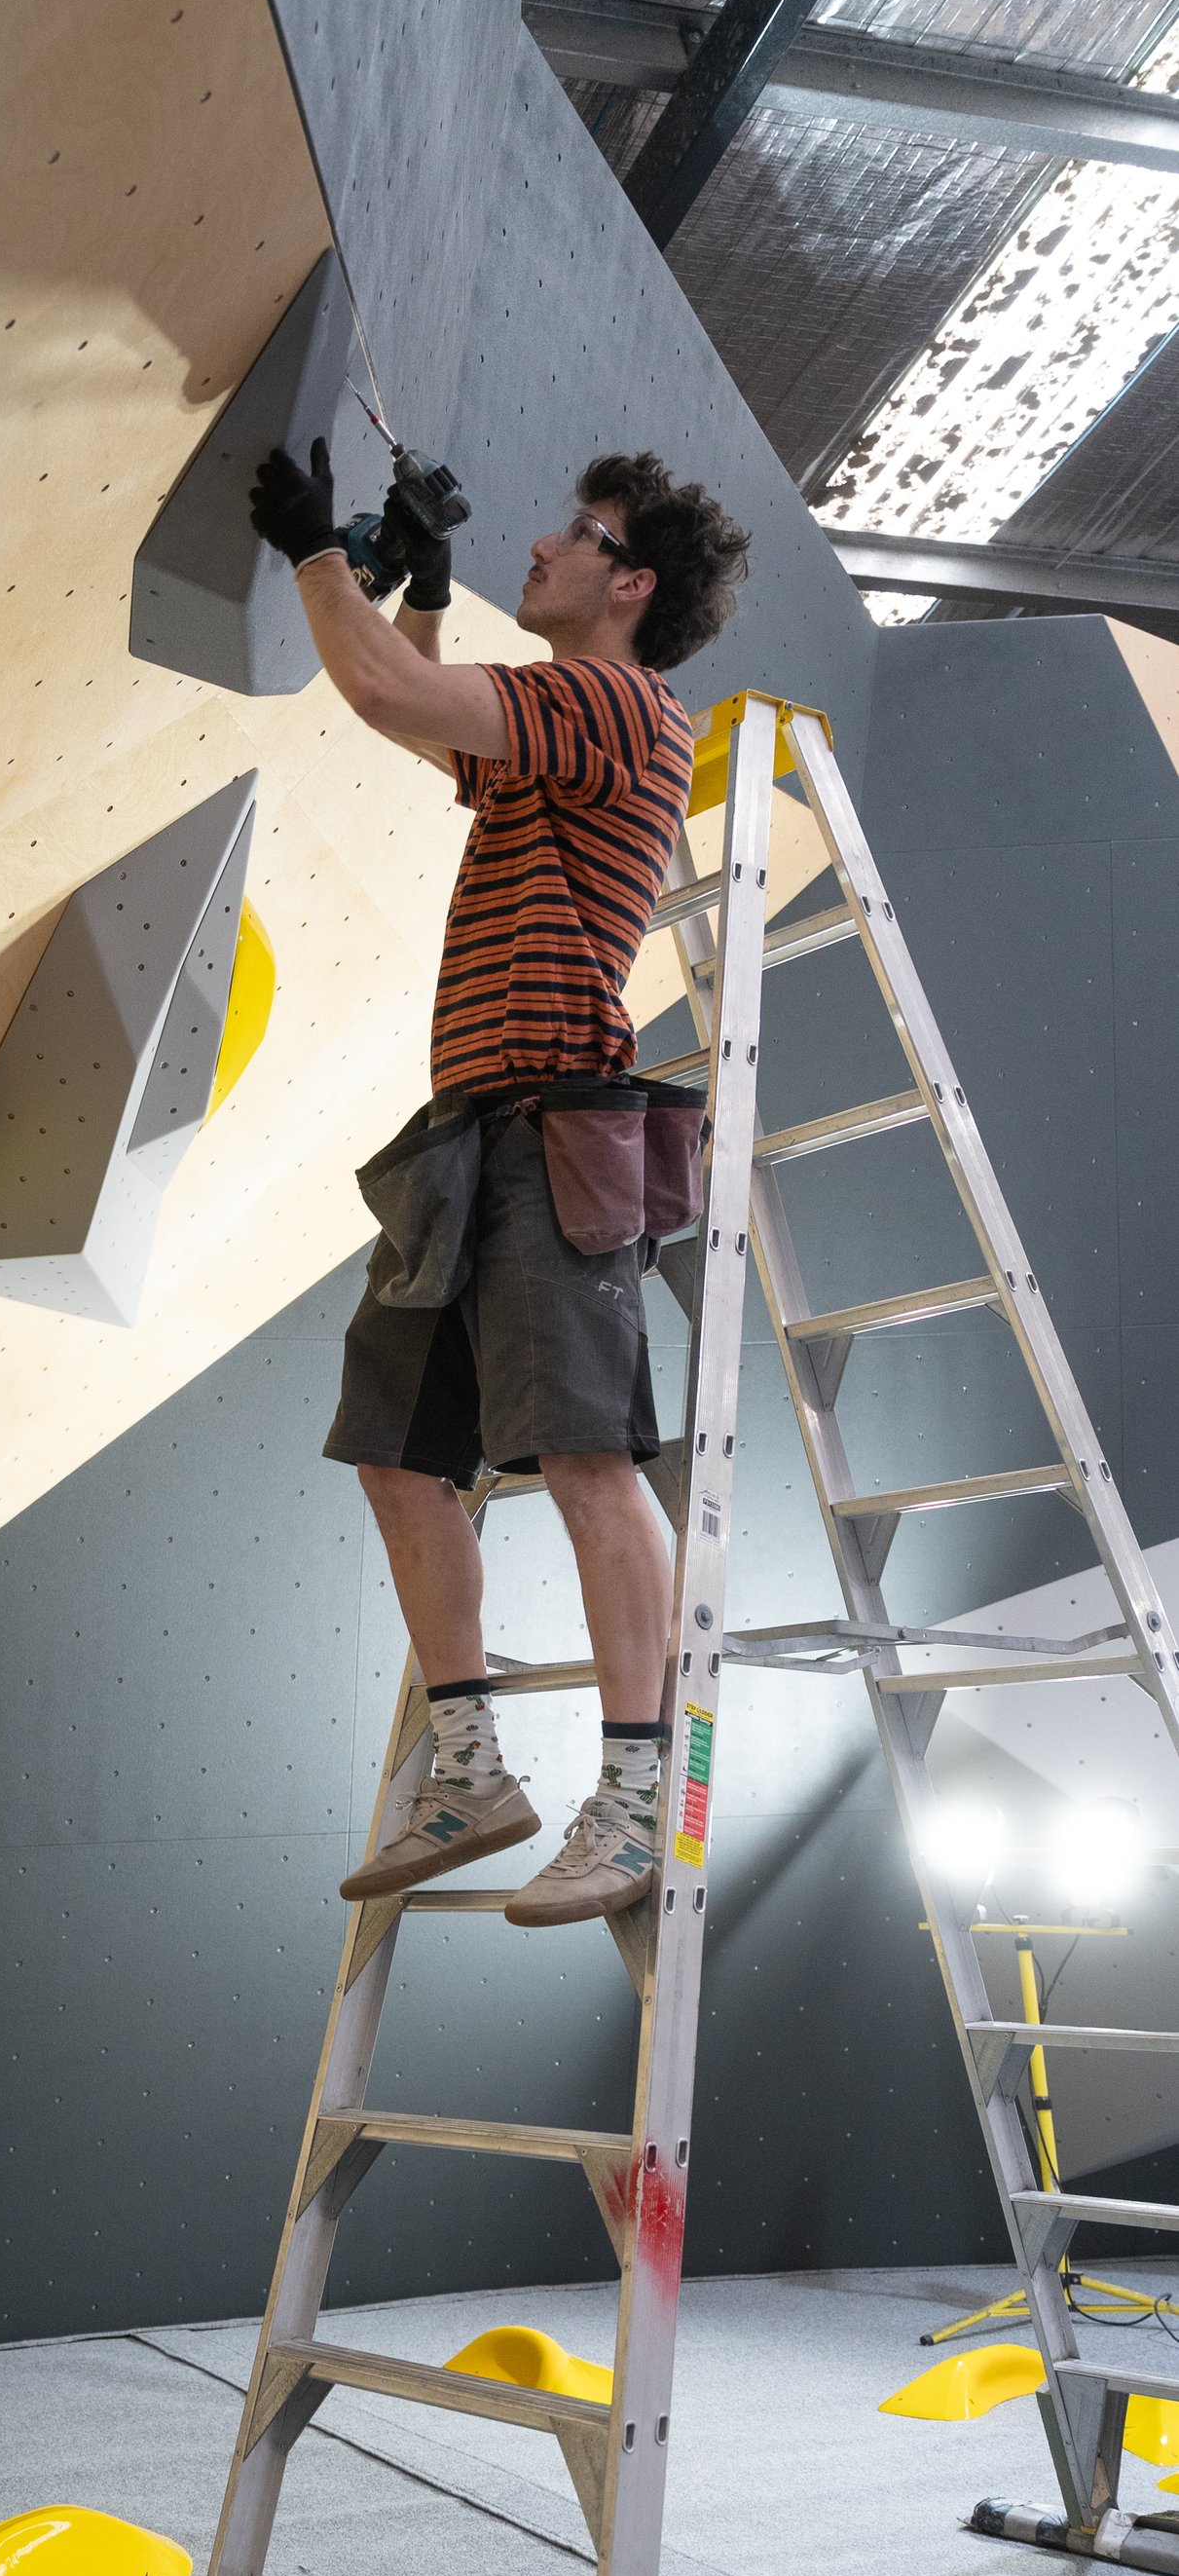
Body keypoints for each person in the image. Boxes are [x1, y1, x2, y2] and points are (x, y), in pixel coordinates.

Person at [248, 435, 750, 1924]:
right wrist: (425, 585)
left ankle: (641, 1794)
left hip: (548, 1135)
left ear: (632, 583)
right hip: (473, 1134)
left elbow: (394, 698)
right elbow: (432, 724)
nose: (546, 543)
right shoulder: (560, 726)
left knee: (590, 1462)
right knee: (398, 1451)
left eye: (572, 532)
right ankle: (469, 1765)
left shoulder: (618, 701)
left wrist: (315, 554)